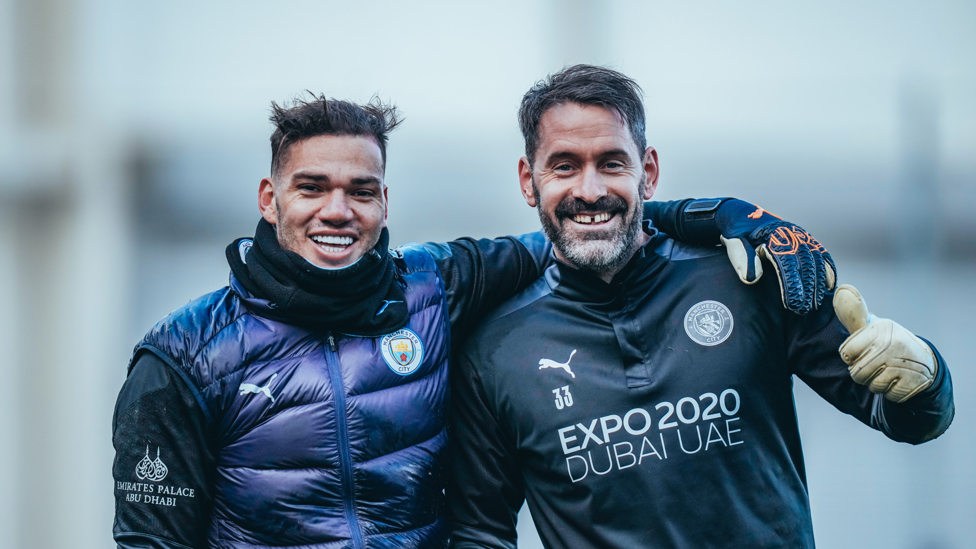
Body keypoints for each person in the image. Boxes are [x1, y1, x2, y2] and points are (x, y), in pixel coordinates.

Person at [111, 94, 833, 549]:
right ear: (270, 197)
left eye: (361, 189)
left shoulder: (436, 286)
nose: (338, 210)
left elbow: (583, 222)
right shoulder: (182, 356)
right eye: (313, 187)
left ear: (386, 202)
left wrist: (728, 215)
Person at [447, 65, 955, 549]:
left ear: (648, 172)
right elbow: (480, 533)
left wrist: (928, 378)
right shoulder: (493, 353)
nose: (591, 190)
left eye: (612, 163)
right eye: (564, 166)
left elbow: (909, 419)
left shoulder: (749, 276)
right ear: (527, 180)